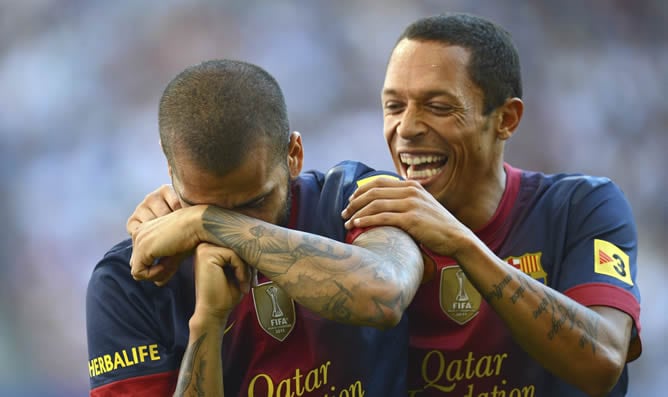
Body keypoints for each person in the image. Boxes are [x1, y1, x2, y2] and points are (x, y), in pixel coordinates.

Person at [340, 13, 642, 397]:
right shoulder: (367, 220)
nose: (407, 128)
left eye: (438, 106)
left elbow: (602, 362)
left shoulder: (581, 208)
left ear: (506, 119)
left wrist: (462, 244)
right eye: (394, 106)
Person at [85, 59, 424, 396]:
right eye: (204, 206)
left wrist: (207, 220)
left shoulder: (353, 195)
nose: (234, 228)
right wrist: (208, 322)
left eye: (254, 203)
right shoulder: (128, 282)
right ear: (170, 167)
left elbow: (386, 295)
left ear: (293, 154)